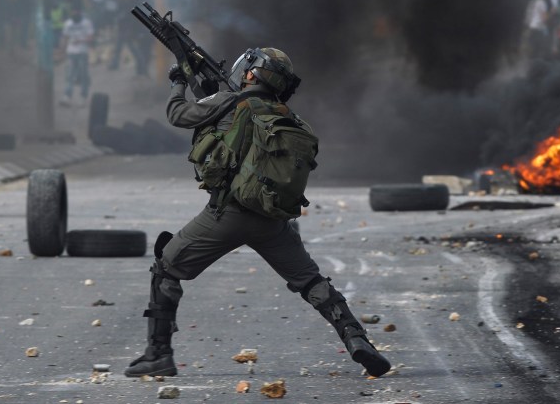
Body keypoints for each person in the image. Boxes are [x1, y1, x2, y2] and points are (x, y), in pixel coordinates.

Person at [124, 47, 391, 379]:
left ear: (250, 73)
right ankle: (357, 340)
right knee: (311, 281)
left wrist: (179, 80)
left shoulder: (229, 101)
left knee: (166, 268)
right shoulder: (289, 118)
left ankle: (158, 354)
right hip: (273, 221)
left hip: (227, 215)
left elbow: (179, 114)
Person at [60, 8, 94, 105]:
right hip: (71, 52)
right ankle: (67, 96)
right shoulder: (68, 24)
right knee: (70, 75)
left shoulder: (86, 23)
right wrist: (62, 51)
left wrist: (80, 41)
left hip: (83, 52)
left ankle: (83, 96)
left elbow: (90, 37)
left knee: (83, 75)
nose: (74, 13)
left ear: (80, 12)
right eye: (73, 11)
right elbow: (65, 38)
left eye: (76, 11)